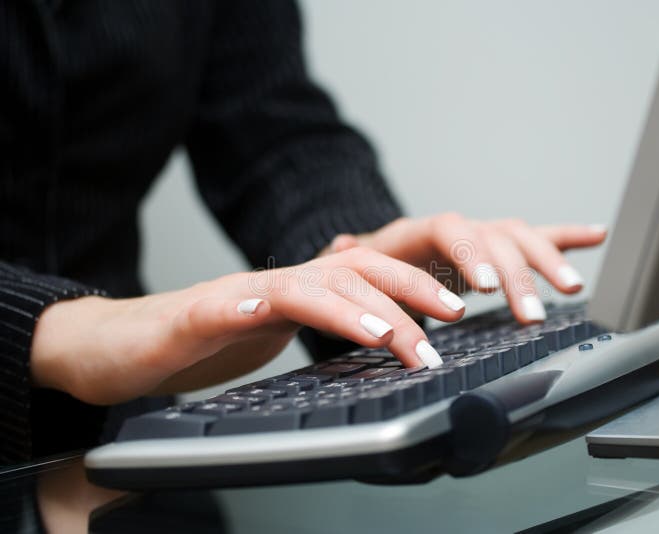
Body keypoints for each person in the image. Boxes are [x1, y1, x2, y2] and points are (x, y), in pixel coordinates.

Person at [0, 1, 606, 464]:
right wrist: (55, 325)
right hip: (105, 368)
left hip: (122, 435)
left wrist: (354, 254)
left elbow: (270, 130)